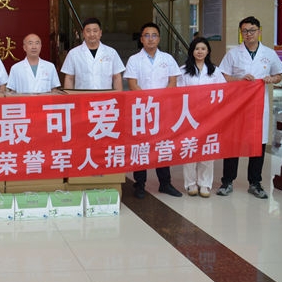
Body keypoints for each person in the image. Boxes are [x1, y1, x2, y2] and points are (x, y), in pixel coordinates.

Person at [216, 16, 282, 199]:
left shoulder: (269, 53)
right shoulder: (233, 53)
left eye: (252, 30)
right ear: (241, 33)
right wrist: (239, 80)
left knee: (258, 143)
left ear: (259, 31)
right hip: (237, 106)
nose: (248, 34)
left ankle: (255, 183)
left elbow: (279, 74)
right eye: (245, 31)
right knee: (233, 142)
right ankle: (227, 181)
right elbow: (223, 76)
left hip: (259, 107)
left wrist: (271, 79)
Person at [124, 22, 182, 199]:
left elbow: (173, 82)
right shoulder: (134, 60)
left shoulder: (168, 59)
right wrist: (149, 102)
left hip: (163, 110)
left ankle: (165, 183)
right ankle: (139, 184)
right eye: (147, 35)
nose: (150, 39)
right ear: (141, 39)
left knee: (162, 145)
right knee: (141, 146)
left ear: (159, 38)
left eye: (154, 35)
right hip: (141, 109)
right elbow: (133, 84)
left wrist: (160, 100)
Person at [178, 36, 226, 198]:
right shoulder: (183, 70)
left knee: (207, 149)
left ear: (208, 51)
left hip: (209, 117)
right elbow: (178, 93)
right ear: (192, 51)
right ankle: (190, 183)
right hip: (189, 116)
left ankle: (205, 184)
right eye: (197, 49)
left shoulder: (215, 71)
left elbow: (223, 92)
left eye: (203, 49)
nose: (200, 52)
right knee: (189, 148)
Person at [61, 17, 125, 91]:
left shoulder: (111, 52)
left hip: (105, 97)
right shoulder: (73, 54)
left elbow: (117, 77)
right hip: (82, 96)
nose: (92, 34)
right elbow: (69, 78)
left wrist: (119, 96)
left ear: (100, 33)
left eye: (95, 31)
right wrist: (69, 97)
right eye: (88, 31)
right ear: (83, 33)